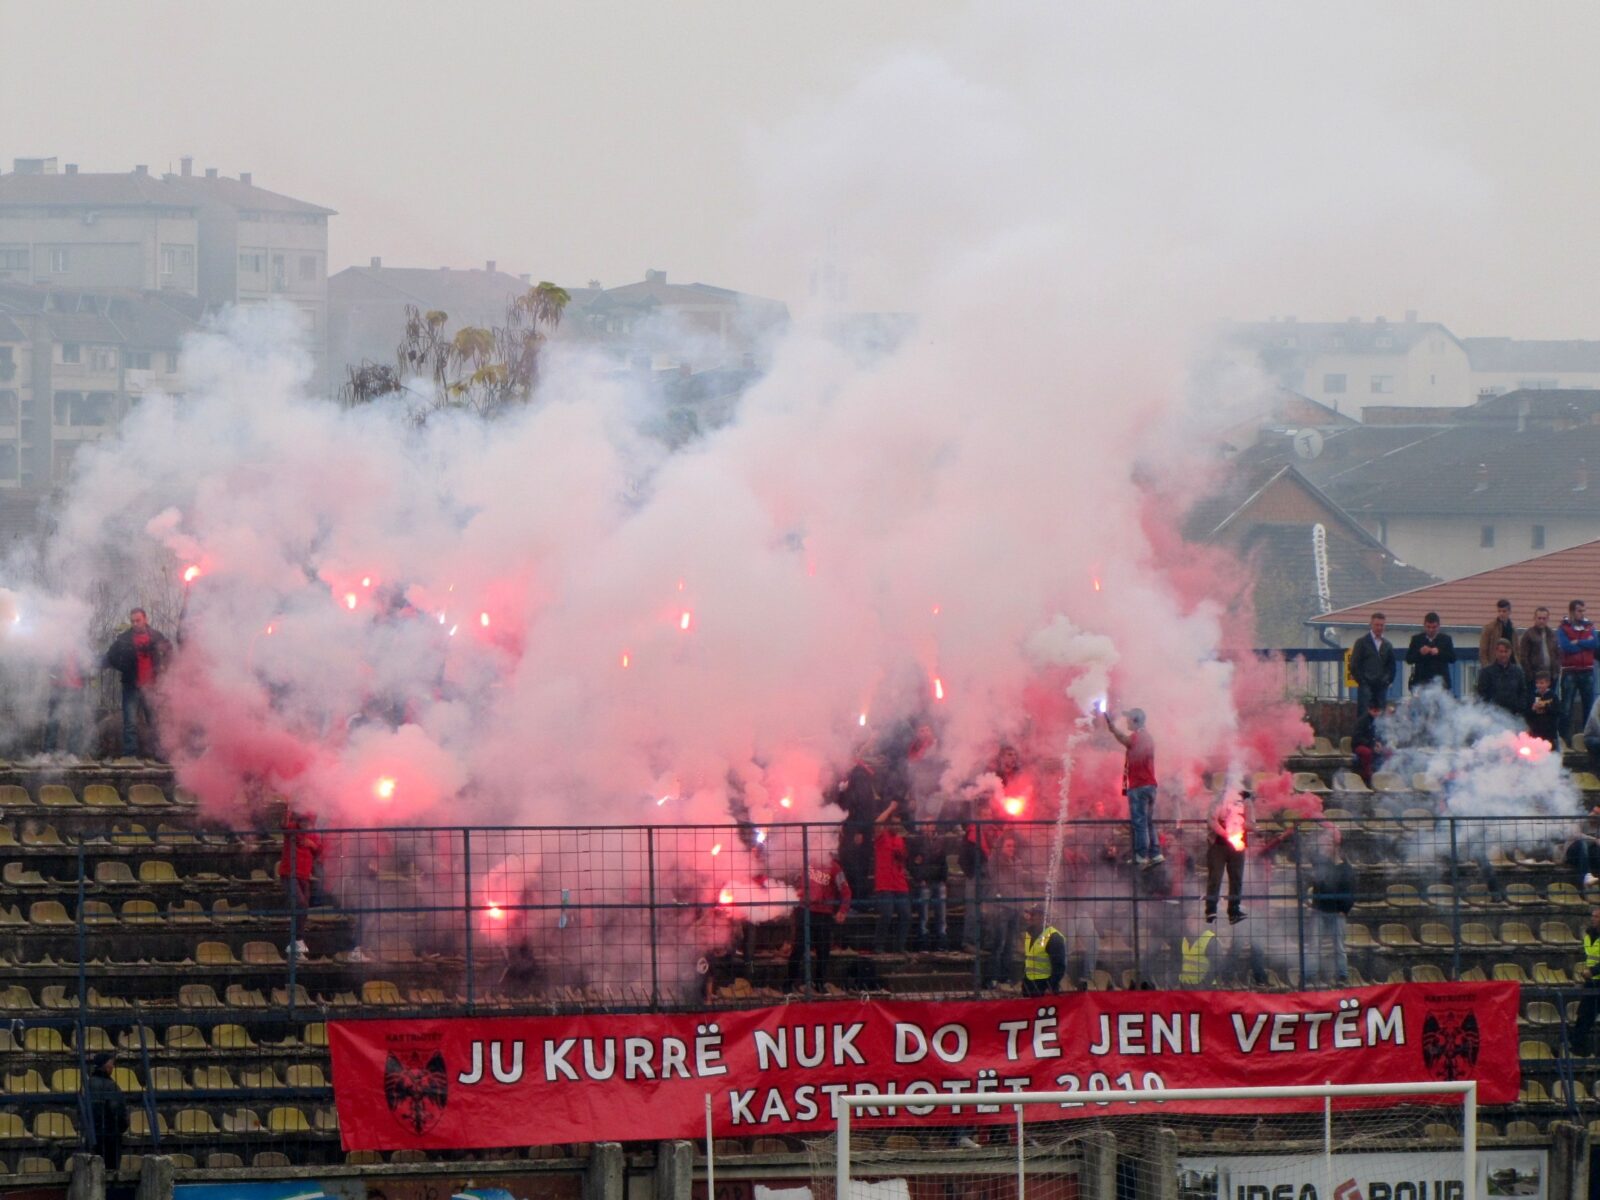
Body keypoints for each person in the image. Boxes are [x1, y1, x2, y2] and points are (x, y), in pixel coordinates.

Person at [103, 607, 172, 758]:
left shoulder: (156, 636)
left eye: (138, 620)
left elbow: (169, 651)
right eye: (132, 621)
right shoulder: (124, 638)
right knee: (130, 723)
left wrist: (163, 668)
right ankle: (130, 756)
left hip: (152, 686)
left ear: (145, 619)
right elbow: (110, 656)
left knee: (154, 722)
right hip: (131, 686)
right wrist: (123, 667)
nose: (135, 624)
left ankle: (160, 755)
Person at [785, 846, 851, 992]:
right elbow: (794, 882)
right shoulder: (806, 863)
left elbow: (846, 891)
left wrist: (843, 910)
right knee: (798, 948)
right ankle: (788, 984)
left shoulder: (835, 868)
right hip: (804, 911)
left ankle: (819, 984)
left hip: (823, 914)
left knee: (823, 950)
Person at [1103, 707, 1161, 866]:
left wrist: (1113, 730)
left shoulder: (1138, 737)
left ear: (1135, 721)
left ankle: (1141, 856)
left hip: (1139, 786)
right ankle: (1155, 854)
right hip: (1150, 786)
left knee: (1139, 822)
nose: (1127, 721)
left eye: (1129, 718)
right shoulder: (1147, 737)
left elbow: (1125, 740)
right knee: (1148, 821)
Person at [1306, 837, 1356, 985]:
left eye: (1329, 845)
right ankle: (1310, 976)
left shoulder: (1346, 868)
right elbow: (1311, 854)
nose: (1326, 847)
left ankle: (1342, 976)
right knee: (1314, 945)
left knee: (1339, 946)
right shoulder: (1321, 863)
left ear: (1337, 849)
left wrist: (1344, 909)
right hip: (1319, 910)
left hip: (1337, 913)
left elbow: (1351, 891)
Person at [278, 808, 323, 957]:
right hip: (289, 874)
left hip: (305, 876)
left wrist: (311, 845)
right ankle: (297, 940)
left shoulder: (314, 835)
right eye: (302, 820)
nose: (305, 824)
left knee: (303, 909)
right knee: (301, 904)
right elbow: (283, 825)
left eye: (307, 821)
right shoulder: (292, 829)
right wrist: (286, 810)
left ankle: (296, 943)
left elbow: (318, 851)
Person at [1204, 788, 1252, 925]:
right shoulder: (1219, 800)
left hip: (1238, 847)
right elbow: (1212, 820)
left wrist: (1239, 824)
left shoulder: (1246, 802)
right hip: (1218, 846)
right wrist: (1226, 833)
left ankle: (1234, 911)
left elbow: (1252, 824)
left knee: (1236, 878)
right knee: (1215, 877)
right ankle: (1211, 910)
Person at [872, 804, 912, 954]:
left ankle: (900, 946)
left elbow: (902, 861)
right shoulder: (882, 837)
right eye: (894, 823)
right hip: (885, 883)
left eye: (898, 823)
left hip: (899, 883)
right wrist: (890, 808)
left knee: (906, 915)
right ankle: (879, 946)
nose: (896, 826)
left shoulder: (900, 840)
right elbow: (877, 823)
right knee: (886, 914)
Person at [907, 819, 950, 952]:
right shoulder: (916, 842)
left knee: (941, 915)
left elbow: (944, 862)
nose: (928, 827)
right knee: (923, 915)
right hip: (924, 882)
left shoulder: (940, 841)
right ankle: (923, 942)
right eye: (926, 824)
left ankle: (941, 942)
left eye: (930, 824)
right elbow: (912, 863)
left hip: (938, 881)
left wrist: (943, 878)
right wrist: (919, 878)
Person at [81, 1051, 128, 1171]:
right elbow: (117, 1111)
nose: (113, 1067)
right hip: (110, 1135)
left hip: (92, 1134)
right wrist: (122, 1127)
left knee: (91, 1170)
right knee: (110, 1171)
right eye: (111, 1063)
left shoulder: (87, 1084)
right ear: (106, 1065)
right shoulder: (111, 1085)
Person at [1559, 600, 1598, 742]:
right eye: (1579, 611)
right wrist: (1584, 645)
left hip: (1587, 671)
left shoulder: (1589, 626)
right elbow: (1566, 647)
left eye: (1583, 610)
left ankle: (1587, 738)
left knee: (1589, 707)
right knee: (1566, 707)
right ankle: (1565, 739)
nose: (1582, 614)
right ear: (1572, 611)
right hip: (1570, 672)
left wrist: (1578, 642)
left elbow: (1594, 643)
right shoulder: (1564, 628)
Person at [1349, 613, 1396, 714]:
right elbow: (1354, 665)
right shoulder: (1361, 643)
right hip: (1365, 687)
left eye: (1381, 625)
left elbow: (1391, 666)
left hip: (1381, 688)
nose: (1379, 627)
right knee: (1364, 716)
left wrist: (1387, 681)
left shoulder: (1387, 645)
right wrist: (1362, 681)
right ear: (1371, 624)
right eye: (1377, 625)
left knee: (1380, 718)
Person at [1020, 904, 1066, 995]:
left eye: (1033, 915)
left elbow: (1059, 967)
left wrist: (1050, 987)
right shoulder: (1029, 934)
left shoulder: (1054, 937)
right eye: (1029, 914)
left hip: (1044, 986)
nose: (1030, 917)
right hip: (1029, 984)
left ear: (1042, 917)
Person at [1405, 612, 1457, 693]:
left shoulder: (1446, 639)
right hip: (1421, 682)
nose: (1431, 630)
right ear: (1424, 626)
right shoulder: (1417, 639)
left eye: (1434, 627)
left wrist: (1439, 652)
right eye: (1428, 627)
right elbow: (1408, 659)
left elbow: (1453, 658)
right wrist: (1420, 653)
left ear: (1439, 626)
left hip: (1441, 683)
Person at [1476, 639, 1528, 718]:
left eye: (1506, 651)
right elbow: (1482, 694)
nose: (1503, 654)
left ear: (1510, 652)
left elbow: (1523, 692)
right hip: (1493, 716)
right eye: (1501, 651)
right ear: (1496, 652)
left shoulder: (1518, 671)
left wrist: (1520, 707)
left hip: (1514, 715)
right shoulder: (1486, 672)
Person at [1575, 906, 1600, 1056]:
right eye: (1593, 916)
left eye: (1597, 917)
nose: (1593, 919)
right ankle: (1579, 1048)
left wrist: (1592, 971)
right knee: (1584, 1016)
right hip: (1591, 983)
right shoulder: (1588, 936)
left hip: (1595, 978)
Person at [1518, 606, 1561, 687]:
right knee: (1536, 699)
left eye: (1544, 618)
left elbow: (1558, 654)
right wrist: (1530, 674)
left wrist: (1556, 671)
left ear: (1548, 619)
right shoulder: (1528, 634)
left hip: (1551, 676)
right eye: (1539, 618)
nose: (1541, 621)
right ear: (1534, 618)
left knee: (1550, 699)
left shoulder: (1552, 634)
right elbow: (1523, 657)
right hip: (1535, 677)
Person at [1350, 699, 1385, 785]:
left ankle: (1385, 773)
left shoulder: (1382, 721)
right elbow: (1357, 737)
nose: (1376, 714)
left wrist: (1381, 744)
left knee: (1389, 752)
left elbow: (1384, 735)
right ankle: (1367, 776)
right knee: (1367, 753)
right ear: (1369, 710)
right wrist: (1372, 745)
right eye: (1374, 711)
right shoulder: (1362, 721)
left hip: (1375, 745)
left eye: (1378, 711)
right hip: (1361, 745)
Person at [1478, 599, 1517, 670]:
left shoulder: (1513, 630)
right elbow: (1483, 651)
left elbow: (1516, 650)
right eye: (1499, 611)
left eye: (1504, 611)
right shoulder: (1489, 628)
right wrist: (1487, 667)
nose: (1501, 614)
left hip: (1510, 667)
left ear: (1509, 612)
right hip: (1494, 667)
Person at [1528, 671, 1561, 746]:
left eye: (1542, 683)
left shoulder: (1553, 696)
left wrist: (1545, 707)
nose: (1539, 685)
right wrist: (1532, 709)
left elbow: (1557, 712)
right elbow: (1527, 713)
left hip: (1549, 732)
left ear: (1548, 683)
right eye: (1537, 683)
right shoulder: (1532, 696)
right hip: (1536, 731)